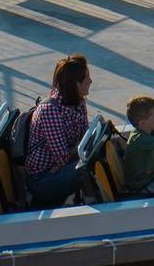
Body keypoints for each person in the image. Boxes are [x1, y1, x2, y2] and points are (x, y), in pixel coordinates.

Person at [24, 55, 92, 209]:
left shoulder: (79, 102)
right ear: (76, 84)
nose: (91, 81)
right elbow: (64, 158)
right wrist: (82, 144)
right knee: (85, 169)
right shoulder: (50, 110)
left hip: (60, 169)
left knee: (98, 158)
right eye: (87, 77)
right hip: (43, 178)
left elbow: (84, 141)